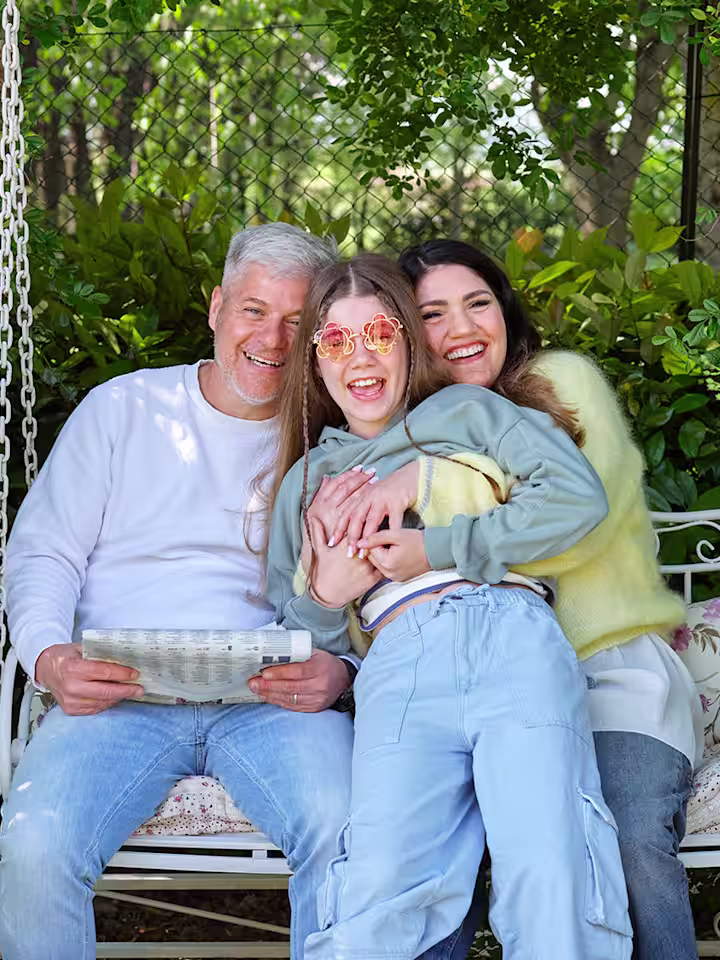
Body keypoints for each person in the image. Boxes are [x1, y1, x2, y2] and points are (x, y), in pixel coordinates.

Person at [0, 223, 359, 960]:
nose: (272, 338)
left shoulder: (335, 438)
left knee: (350, 830)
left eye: (298, 321)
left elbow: (372, 585)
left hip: (272, 700)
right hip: (120, 697)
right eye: (255, 311)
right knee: (36, 846)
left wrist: (343, 668)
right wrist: (50, 659)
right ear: (217, 308)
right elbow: (43, 551)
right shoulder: (123, 411)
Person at [265, 252, 632, 960]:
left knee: (550, 870)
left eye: (377, 332)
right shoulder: (307, 482)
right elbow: (295, 643)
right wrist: (325, 596)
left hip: (511, 635)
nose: (360, 357)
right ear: (313, 362)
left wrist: (433, 537)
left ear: (407, 339)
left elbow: (575, 499)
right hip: (399, 668)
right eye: (335, 341)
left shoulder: (469, 411)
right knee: (379, 887)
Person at [389, 238, 701, 960]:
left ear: (506, 309)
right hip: (477, 685)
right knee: (430, 849)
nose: (462, 327)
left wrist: (429, 511)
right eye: (433, 314)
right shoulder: (412, 424)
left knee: (623, 837)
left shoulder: (562, 379)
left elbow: (577, 523)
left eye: (478, 303)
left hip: (608, 673)